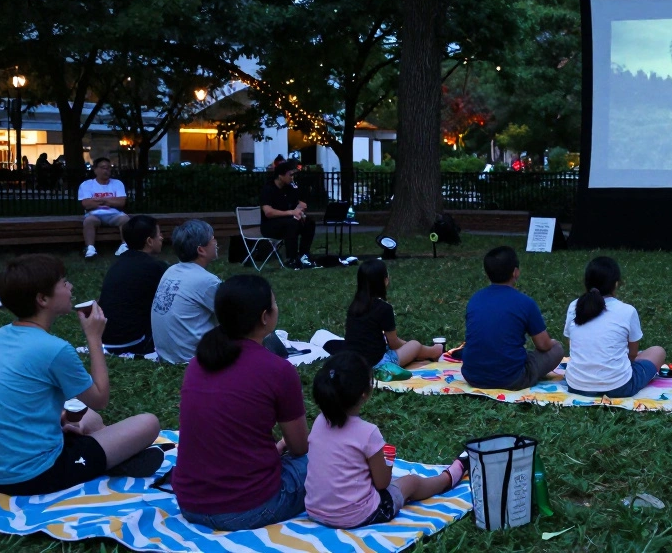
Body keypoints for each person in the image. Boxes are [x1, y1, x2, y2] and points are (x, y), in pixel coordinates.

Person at [0, 255, 162, 495]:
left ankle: (111, 454)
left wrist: (60, 420)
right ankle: (114, 460)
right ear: (43, 299)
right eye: (64, 283)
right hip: (33, 475)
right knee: (148, 423)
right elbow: (101, 399)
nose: (71, 287)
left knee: (90, 419)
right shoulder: (54, 349)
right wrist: (94, 338)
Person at [174, 275, 309, 530]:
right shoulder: (279, 371)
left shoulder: (198, 363)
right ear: (264, 317)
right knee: (331, 457)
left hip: (190, 503)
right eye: (274, 303)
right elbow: (301, 448)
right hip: (250, 507)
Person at [305, 351, 466, 529]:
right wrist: (386, 463)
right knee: (410, 482)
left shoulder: (319, 421)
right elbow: (382, 483)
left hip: (315, 511)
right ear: (365, 394)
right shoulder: (367, 433)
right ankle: (446, 479)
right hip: (357, 516)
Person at [152, 220, 288, 364]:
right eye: (212, 239)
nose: (216, 242)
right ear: (201, 250)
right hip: (192, 357)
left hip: (167, 355)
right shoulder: (205, 281)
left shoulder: (171, 271)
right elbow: (239, 319)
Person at [460, 246, 563, 390]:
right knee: (557, 349)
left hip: (472, 376)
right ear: (515, 272)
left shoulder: (475, 299)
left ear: (487, 273)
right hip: (512, 378)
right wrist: (553, 342)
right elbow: (543, 345)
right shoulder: (525, 303)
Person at [563, 257, 666, 398]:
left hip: (576, 386)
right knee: (657, 351)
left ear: (585, 282)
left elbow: (571, 344)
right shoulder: (627, 311)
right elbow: (632, 354)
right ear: (616, 284)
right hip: (619, 387)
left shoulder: (574, 306)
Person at [343, 260, 443, 371]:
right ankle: (435, 351)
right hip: (377, 365)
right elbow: (394, 344)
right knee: (414, 345)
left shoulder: (354, 306)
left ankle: (425, 352)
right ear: (385, 280)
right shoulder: (384, 308)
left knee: (410, 347)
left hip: (353, 361)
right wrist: (408, 345)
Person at [97, 215, 168, 356]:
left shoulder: (117, 263)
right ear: (149, 241)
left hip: (105, 338)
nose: (162, 238)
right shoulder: (155, 267)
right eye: (159, 234)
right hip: (134, 341)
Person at [260, 161, 317, 270]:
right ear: (281, 176)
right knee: (292, 224)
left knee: (309, 223)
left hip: (288, 222)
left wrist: (300, 207)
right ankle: (291, 258)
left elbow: (295, 203)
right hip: (270, 225)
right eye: (290, 175)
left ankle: (304, 255)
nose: (292, 178)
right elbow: (268, 212)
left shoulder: (289, 188)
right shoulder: (268, 189)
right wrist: (291, 213)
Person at [79, 157, 130, 258]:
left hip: (114, 214)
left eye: (108, 168)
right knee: (89, 221)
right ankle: (90, 249)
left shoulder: (117, 183)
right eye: (103, 168)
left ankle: (125, 246)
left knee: (125, 219)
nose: (106, 170)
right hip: (94, 215)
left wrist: (99, 201)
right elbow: (86, 204)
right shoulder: (87, 185)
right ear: (95, 169)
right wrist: (110, 201)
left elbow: (121, 203)